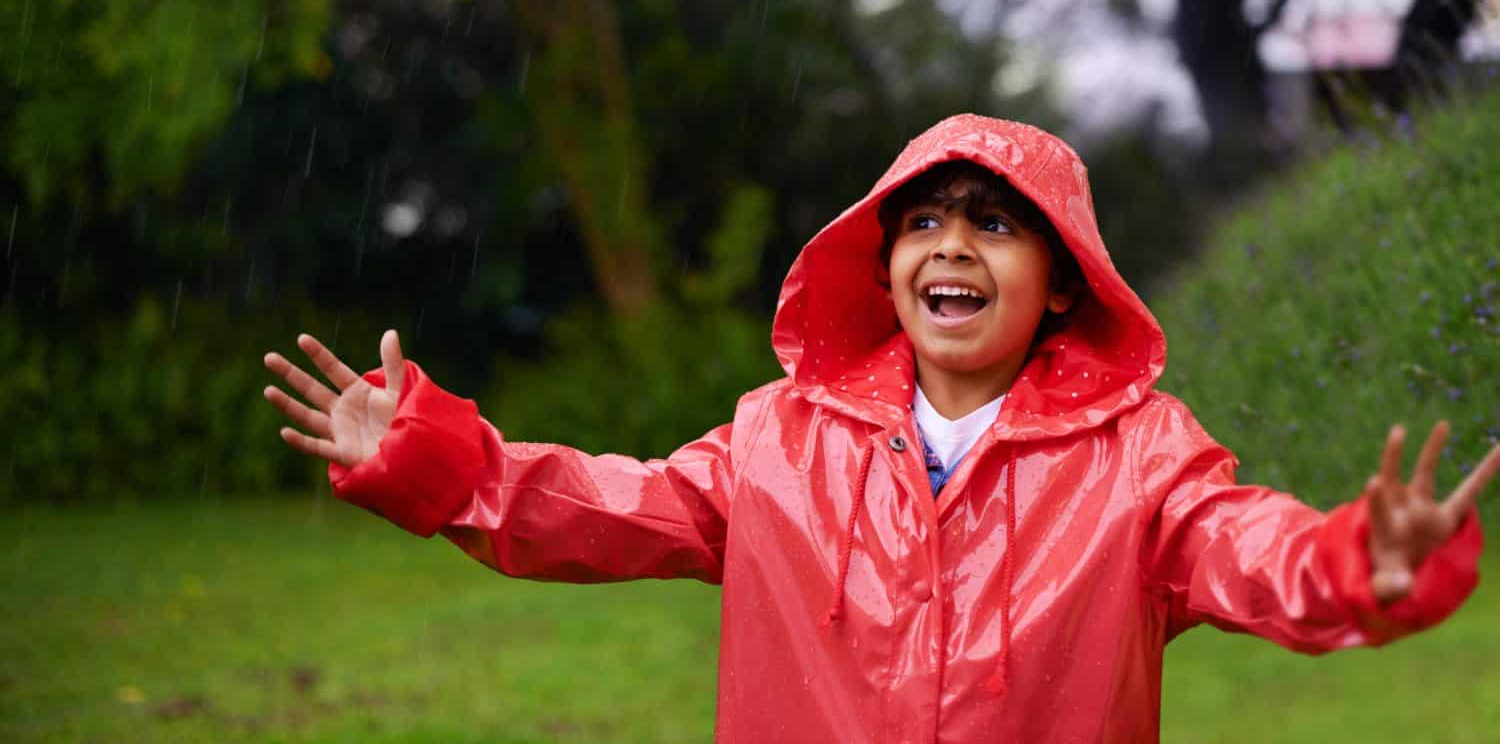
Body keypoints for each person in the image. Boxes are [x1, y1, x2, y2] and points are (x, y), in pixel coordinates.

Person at [263, 114, 1498, 743]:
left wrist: (1360, 564)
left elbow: (1251, 547)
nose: (951, 243)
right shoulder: (778, 440)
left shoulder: (1144, 456)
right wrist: (430, 454)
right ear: (888, 258)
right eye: (924, 221)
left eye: (994, 222)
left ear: (1063, 278)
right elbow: (603, 506)